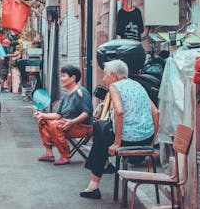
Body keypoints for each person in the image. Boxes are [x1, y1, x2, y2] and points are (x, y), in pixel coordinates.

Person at [80, 59, 155, 200]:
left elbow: (119, 112)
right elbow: (156, 113)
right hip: (145, 138)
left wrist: (117, 142)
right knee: (102, 134)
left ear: (113, 75)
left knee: (98, 127)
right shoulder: (138, 85)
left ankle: (95, 184)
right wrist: (151, 142)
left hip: (128, 140)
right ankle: (104, 165)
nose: (103, 78)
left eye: (105, 75)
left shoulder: (115, 87)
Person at [33, 65, 93, 165]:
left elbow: (87, 113)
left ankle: (65, 156)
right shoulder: (66, 94)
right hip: (67, 125)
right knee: (43, 121)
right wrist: (42, 115)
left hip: (83, 126)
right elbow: (58, 115)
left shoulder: (81, 92)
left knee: (55, 125)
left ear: (73, 78)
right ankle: (49, 154)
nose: (61, 79)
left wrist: (72, 122)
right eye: (60, 76)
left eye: (63, 76)